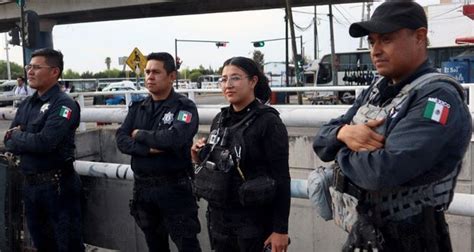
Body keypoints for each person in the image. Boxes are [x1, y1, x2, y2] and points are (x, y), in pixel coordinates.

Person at [312, 2, 472, 251]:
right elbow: (321, 141)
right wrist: (344, 133)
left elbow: (381, 172)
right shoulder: (377, 91)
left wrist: (341, 150)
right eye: (372, 42)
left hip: (413, 238)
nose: (375, 50)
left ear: (419, 37)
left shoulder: (437, 98)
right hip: (365, 233)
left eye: (386, 39)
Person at [191, 57, 291, 252]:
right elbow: (219, 165)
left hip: (254, 222)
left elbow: (281, 178)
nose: (228, 85)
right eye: (223, 79)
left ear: (253, 81)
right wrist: (199, 156)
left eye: (235, 78)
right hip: (219, 220)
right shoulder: (219, 119)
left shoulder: (268, 122)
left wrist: (280, 230)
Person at [116, 52, 201, 252]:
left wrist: (139, 134)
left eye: (156, 72)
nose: (149, 77)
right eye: (147, 72)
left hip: (174, 188)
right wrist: (148, 148)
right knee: (155, 245)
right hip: (143, 189)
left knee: (186, 244)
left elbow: (174, 139)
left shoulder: (184, 106)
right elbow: (121, 139)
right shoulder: (138, 108)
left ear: (172, 77)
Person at [4, 48, 84, 251]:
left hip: (58, 187)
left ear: (54, 72)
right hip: (31, 186)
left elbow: (46, 142)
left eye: (37, 67)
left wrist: (19, 135)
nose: (30, 71)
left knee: (67, 245)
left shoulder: (64, 104)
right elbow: (9, 140)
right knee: (42, 244)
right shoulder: (27, 104)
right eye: (29, 67)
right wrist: (20, 136)